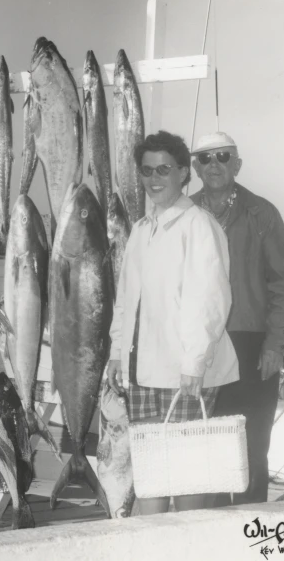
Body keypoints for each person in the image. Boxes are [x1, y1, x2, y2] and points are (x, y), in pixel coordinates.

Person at [107, 130, 239, 515]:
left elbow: (211, 300)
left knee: (186, 478)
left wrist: (195, 363)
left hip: (184, 373)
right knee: (150, 479)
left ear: (184, 173)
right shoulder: (140, 230)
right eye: (147, 170)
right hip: (143, 372)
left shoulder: (198, 224)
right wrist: (117, 352)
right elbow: (126, 300)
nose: (154, 178)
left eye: (164, 168)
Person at [190, 132, 284, 505]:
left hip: (250, 344)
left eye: (223, 157)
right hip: (197, 346)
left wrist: (274, 344)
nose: (214, 164)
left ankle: (249, 533)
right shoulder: (184, 213)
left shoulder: (262, 213)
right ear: (195, 167)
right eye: (205, 158)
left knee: (250, 446)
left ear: (237, 164)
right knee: (201, 446)